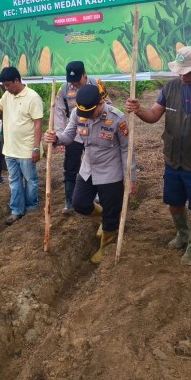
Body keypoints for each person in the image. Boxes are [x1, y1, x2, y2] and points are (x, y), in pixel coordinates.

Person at [125, 46, 191, 266]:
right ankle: (182, 234)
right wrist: (138, 110)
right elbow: (154, 115)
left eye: (187, 72)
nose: (182, 76)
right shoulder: (171, 88)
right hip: (174, 160)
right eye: (180, 72)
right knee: (174, 202)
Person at [45, 84, 136, 264]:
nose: (86, 116)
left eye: (91, 112)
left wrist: (130, 177)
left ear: (101, 103)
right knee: (79, 203)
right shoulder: (78, 113)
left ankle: (105, 245)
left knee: (111, 214)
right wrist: (55, 138)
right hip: (88, 168)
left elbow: (127, 149)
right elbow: (69, 136)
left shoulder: (117, 118)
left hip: (111, 171)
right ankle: (103, 216)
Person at [0, 67, 44, 225]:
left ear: (17, 80)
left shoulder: (33, 97)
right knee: (14, 181)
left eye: (8, 85)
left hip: (27, 149)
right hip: (10, 149)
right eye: (4, 86)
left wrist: (36, 148)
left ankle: (31, 208)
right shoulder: (7, 96)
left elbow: (38, 124)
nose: (6, 88)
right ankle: (17, 211)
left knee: (30, 180)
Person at [53, 61, 102, 214]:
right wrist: (60, 135)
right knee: (71, 166)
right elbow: (59, 113)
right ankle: (70, 200)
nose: (74, 83)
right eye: (71, 81)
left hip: (94, 131)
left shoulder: (97, 84)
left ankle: (97, 196)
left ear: (84, 75)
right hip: (74, 132)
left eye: (77, 80)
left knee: (96, 163)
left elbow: (106, 105)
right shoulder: (63, 89)